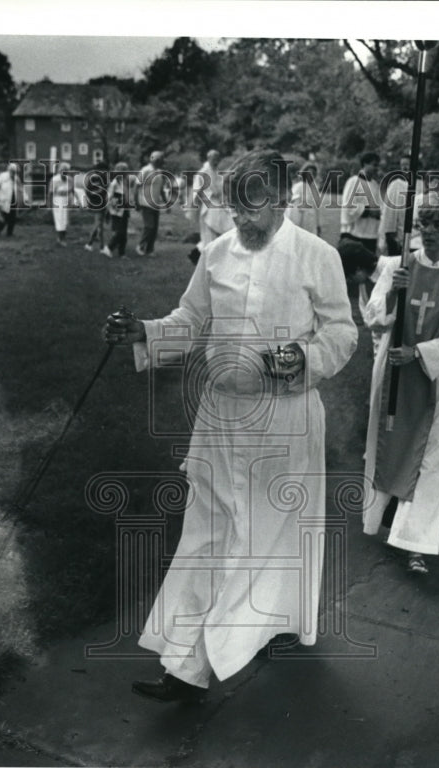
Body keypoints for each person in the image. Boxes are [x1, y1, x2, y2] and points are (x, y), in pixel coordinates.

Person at [102, 149, 358, 701]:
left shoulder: (318, 256)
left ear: (285, 199)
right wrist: (142, 332)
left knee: (264, 542)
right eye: (235, 207)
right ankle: (184, 670)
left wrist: (303, 358)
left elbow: (343, 332)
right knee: (205, 539)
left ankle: (263, 627)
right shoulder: (216, 253)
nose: (242, 219)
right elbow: (190, 320)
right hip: (220, 418)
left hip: (283, 418)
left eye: (254, 207)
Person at [361, 194, 439, 575]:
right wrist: (395, 291)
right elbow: (374, 318)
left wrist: (420, 353)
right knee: (390, 445)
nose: (428, 232)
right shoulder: (401, 265)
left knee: (429, 461)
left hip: (437, 379)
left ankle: (416, 543)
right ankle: (384, 518)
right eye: (424, 224)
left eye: (438, 226)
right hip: (395, 373)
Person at [188, 149, 235, 259]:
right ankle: (204, 255)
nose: (216, 162)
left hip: (218, 204)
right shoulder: (203, 172)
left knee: (224, 227)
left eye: (217, 160)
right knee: (209, 233)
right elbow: (197, 191)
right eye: (214, 160)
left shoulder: (216, 172)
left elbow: (221, 189)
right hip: (208, 205)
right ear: (209, 159)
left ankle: (198, 253)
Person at [339, 151, 383, 255]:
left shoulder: (375, 185)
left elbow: (379, 207)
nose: (376, 168)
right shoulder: (354, 181)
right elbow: (348, 205)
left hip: (371, 234)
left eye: (378, 165)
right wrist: (368, 212)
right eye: (374, 165)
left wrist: (378, 212)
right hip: (354, 233)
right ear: (365, 164)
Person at [134, 150, 170, 256]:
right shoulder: (145, 170)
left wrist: (166, 203)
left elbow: (161, 189)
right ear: (156, 160)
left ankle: (149, 249)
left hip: (155, 203)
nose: (162, 162)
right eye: (161, 160)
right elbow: (137, 186)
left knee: (154, 228)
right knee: (149, 226)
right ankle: (140, 245)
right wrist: (136, 202)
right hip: (145, 202)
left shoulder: (159, 172)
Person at [102, 161, 134, 258]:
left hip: (124, 209)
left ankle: (122, 252)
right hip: (116, 210)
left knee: (124, 233)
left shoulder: (125, 182)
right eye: (123, 171)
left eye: (126, 171)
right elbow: (108, 197)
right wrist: (112, 205)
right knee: (119, 232)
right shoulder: (114, 183)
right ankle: (109, 247)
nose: (125, 173)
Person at [285, 162, 323, 237]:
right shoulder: (298, 187)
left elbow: (317, 208)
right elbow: (292, 208)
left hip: (312, 220)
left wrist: (318, 225)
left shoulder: (314, 188)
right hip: (301, 220)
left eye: (313, 173)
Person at [0, 162, 26, 238]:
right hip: (4, 200)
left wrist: (26, 197)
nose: (14, 173)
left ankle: (9, 233)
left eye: (15, 172)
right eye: (13, 171)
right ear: (9, 170)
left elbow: (21, 188)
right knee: (3, 218)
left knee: (12, 218)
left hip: (13, 200)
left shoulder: (16, 178)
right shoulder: (3, 176)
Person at [83, 160, 110, 253]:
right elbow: (89, 190)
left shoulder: (100, 177)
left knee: (100, 225)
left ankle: (98, 245)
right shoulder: (95, 178)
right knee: (99, 224)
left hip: (101, 202)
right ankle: (92, 244)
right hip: (97, 203)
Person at [48, 163, 75, 244]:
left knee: (65, 220)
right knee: (59, 219)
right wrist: (49, 204)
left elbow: (72, 191)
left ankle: (63, 237)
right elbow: (50, 193)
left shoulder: (70, 179)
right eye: (63, 171)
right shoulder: (55, 180)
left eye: (66, 171)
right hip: (57, 200)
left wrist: (74, 200)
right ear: (60, 171)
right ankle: (61, 238)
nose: (65, 173)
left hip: (66, 200)